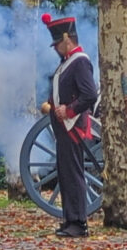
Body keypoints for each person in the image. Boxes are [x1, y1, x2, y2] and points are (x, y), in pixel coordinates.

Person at [42, 12, 98, 238]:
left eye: (57, 43)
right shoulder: (66, 63)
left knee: (74, 174)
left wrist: (69, 110)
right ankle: (69, 219)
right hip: (63, 127)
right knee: (66, 173)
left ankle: (79, 222)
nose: (55, 47)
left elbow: (89, 95)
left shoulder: (80, 61)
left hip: (73, 125)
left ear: (67, 39)